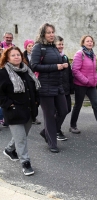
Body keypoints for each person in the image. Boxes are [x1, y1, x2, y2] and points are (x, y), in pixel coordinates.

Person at [0, 46, 41, 175]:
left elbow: (34, 87)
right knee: (21, 138)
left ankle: (9, 149)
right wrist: (9, 104)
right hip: (13, 111)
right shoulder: (3, 73)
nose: (16, 57)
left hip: (29, 110)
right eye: (13, 55)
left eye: (18, 54)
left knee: (22, 135)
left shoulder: (26, 70)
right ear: (7, 58)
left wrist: (36, 101)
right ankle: (25, 163)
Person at [31, 23, 68, 153]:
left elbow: (56, 62)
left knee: (64, 110)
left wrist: (63, 65)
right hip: (44, 86)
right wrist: (56, 67)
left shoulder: (53, 47)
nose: (52, 35)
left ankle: (46, 132)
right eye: (48, 32)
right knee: (49, 115)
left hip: (57, 85)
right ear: (43, 34)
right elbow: (34, 66)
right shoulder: (38, 47)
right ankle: (52, 143)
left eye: (53, 32)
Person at [70, 35, 97, 134]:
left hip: (91, 85)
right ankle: (73, 125)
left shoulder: (93, 54)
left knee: (96, 104)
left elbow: (94, 70)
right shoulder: (80, 54)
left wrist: (96, 79)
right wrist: (85, 81)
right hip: (80, 85)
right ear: (83, 43)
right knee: (78, 105)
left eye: (91, 41)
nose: (90, 43)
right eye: (87, 41)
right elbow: (75, 70)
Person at [23, 39, 41, 125]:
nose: (31, 47)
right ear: (26, 47)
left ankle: (34, 116)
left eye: (32, 46)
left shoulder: (36, 55)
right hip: (28, 79)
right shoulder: (23, 56)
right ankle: (29, 116)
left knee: (36, 98)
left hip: (36, 78)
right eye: (29, 46)